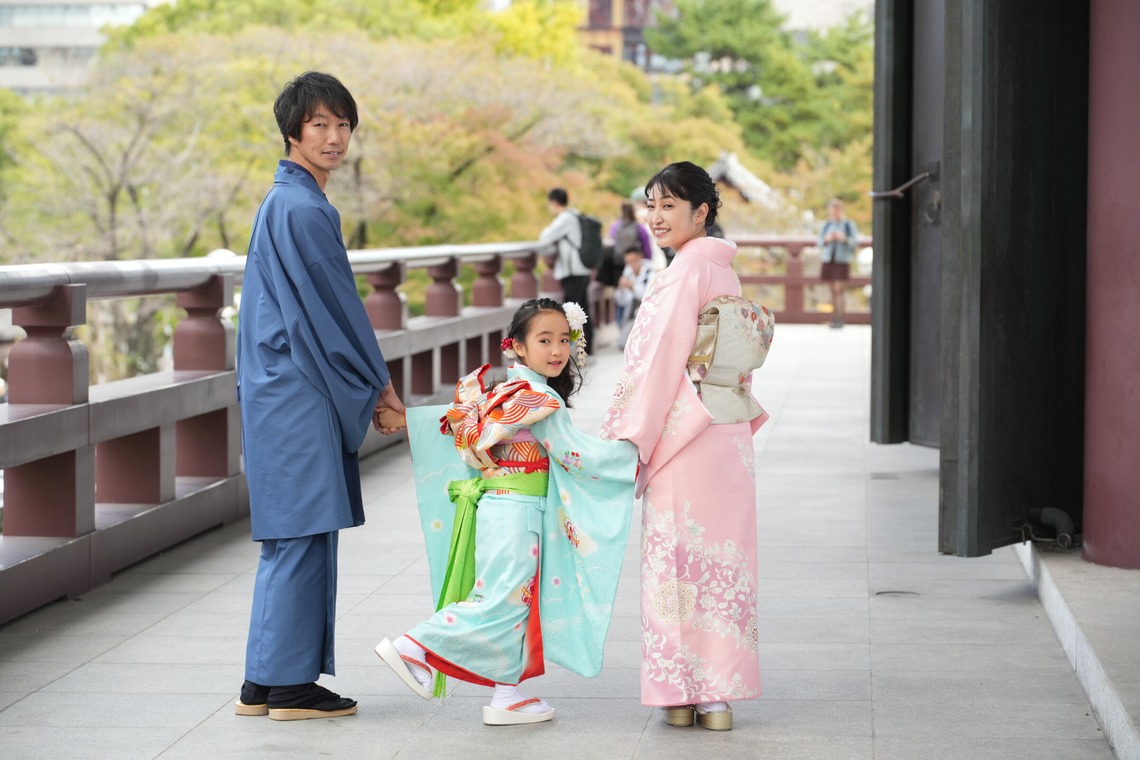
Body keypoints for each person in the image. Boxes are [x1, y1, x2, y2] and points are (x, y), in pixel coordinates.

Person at [374, 298, 638, 725]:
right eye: (544, 340)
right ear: (516, 345)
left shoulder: (505, 391)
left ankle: (508, 694)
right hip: (518, 511)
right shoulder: (535, 398)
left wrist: (407, 419)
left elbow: (453, 420)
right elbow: (577, 453)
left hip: (503, 507)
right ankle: (415, 646)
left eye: (564, 340)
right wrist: (634, 456)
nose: (557, 350)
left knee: (516, 602)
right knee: (501, 601)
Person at [234, 71, 406, 721]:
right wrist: (383, 390)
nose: (335, 138)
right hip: (298, 393)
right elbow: (340, 313)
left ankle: (262, 680)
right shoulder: (307, 209)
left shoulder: (283, 202)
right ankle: (290, 688)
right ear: (292, 132)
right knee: (303, 535)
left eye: (343, 125)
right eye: (320, 126)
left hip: (274, 389)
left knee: (288, 537)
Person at [600, 162, 775, 732]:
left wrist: (627, 436)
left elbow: (655, 361)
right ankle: (718, 697)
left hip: (685, 431)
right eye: (651, 205)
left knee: (674, 564)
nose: (655, 217)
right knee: (723, 561)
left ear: (701, 213)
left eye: (669, 206)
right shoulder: (721, 269)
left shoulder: (682, 273)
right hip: (723, 430)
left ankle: (678, 694)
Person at [539, 188, 594, 353]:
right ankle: (586, 349)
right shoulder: (575, 214)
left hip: (573, 271)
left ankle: (580, 350)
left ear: (554, 202)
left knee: (573, 313)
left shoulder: (565, 218)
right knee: (582, 310)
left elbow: (545, 237)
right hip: (582, 268)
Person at [818, 197, 858, 328]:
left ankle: (840, 319)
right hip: (829, 259)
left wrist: (843, 238)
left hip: (842, 260)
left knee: (839, 290)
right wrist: (828, 238)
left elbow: (854, 243)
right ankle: (835, 318)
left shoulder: (848, 224)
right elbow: (819, 243)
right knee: (832, 291)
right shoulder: (827, 224)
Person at [614, 248, 657, 347]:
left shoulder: (651, 272)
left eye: (634, 261)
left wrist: (632, 288)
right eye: (629, 262)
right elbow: (621, 302)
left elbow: (649, 297)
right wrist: (620, 289)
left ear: (641, 258)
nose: (632, 265)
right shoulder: (627, 272)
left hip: (649, 315)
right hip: (632, 315)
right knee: (623, 344)